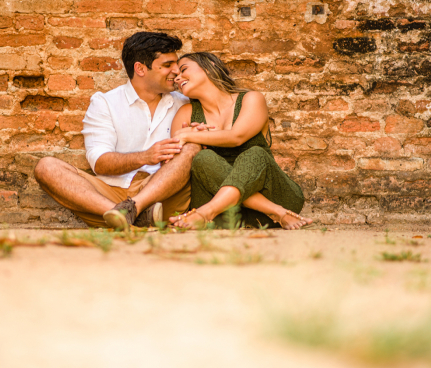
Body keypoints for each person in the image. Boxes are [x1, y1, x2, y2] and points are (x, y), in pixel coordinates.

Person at [34, 32, 201, 230]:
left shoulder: (184, 103)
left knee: (193, 147)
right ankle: (125, 215)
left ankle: (131, 211)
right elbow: (100, 162)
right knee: (46, 167)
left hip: (161, 196)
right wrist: (146, 156)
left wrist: (198, 134)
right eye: (167, 65)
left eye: (176, 64)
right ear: (140, 68)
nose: (176, 71)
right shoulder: (105, 103)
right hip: (108, 195)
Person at [168, 52, 313, 230]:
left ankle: (205, 214)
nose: (177, 78)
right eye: (175, 76)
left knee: (255, 154)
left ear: (210, 66)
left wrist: (189, 135)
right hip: (226, 215)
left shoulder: (251, 99)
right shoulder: (186, 113)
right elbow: (176, 159)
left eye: (183, 70)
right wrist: (195, 141)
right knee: (203, 158)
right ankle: (277, 212)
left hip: (276, 197)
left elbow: (236, 137)